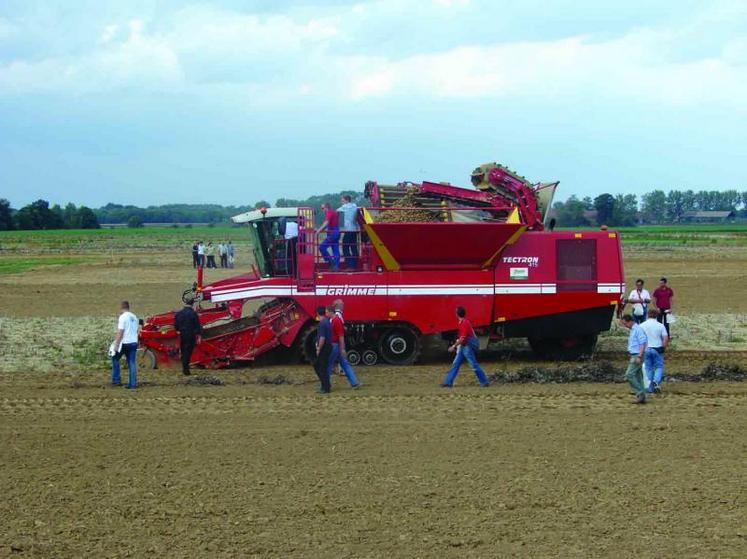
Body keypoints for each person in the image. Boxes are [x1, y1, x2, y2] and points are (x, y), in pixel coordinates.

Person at [441, 306, 490, 388]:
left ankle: (484, 382)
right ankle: (448, 382)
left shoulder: (463, 323)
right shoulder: (464, 322)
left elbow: (463, 338)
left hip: (466, 347)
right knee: (456, 364)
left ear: (457, 314)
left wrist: (453, 346)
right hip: (464, 346)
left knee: (473, 364)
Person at [327, 300, 361, 388]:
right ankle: (354, 382)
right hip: (337, 344)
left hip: (334, 344)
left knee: (329, 364)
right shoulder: (338, 316)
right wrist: (342, 348)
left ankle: (325, 384)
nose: (343, 306)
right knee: (344, 363)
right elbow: (340, 333)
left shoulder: (334, 318)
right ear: (339, 306)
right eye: (342, 304)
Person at [111, 301, 139, 389]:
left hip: (125, 342)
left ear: (121, 307)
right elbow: (136, 330)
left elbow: (120, 332)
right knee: (132, 363)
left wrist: (116, 344)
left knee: (115, 358)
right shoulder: (134, 317)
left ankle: (116, 380)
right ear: (128, 307)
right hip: (134, 342)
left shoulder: (122, 317)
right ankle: (132, 384)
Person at [640, 308, 669, 394]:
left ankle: (649, 387)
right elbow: (665, 338)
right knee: (659, 367)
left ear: (647, 315)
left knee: (648, 368)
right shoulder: (660, 325)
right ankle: (656, 381)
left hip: (646, 349)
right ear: (656, 315)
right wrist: (663, 347)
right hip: (657, 349)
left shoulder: (642, 325)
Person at [621, 314, 648, 404]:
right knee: (638, 376)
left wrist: (639, 356)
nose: (625, 326)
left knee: (629, 374)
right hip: (635, 354)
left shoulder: (637, 330)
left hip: (637, 355)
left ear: (630, 321)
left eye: (625, 324)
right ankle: (642, 396)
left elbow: (642, 343)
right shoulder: (633, 329)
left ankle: (640, 392)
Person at [174, 297, 202, 376]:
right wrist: (199, 335)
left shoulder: (179, 313)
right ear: (192, 304)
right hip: (191, 334)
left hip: (182, 334)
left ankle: (184, 367)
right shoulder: (193, 313)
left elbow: (176, 325)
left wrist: (178, 330)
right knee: (188, 352)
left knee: (183, 350)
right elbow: (197, 325)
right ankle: (186, 369)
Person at [316, 202, 340, 271]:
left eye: (323, 208)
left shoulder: (329, 212)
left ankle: (331, 262)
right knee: (335, 250)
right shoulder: (332, 212)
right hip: (336, 233)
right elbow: (325, 223)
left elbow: (326, 223)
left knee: (321, 247)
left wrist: (318, 231)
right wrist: (320, 229)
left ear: (327, 207)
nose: (322, 210)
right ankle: (336, 267)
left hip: (332, 234)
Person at [337, 194, 359, 269]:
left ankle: (350, 265)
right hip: (355, 229)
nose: (341, 202)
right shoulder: (354, 205)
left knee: (345, 246)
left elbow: (337, 211)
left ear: (346, 200)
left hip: (348, 229)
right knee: (354, 247)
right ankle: (356, 264)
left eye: (342, 200)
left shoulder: (345, 207)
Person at [314, 305, 332, 394]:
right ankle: (325, 385)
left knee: (320, 367)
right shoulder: (327, 321)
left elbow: (322, 338)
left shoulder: (321, 323)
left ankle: (325, 387)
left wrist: (318, 349)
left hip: (324, 347)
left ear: (317, 313)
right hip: (328, 346)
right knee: (322, 366)